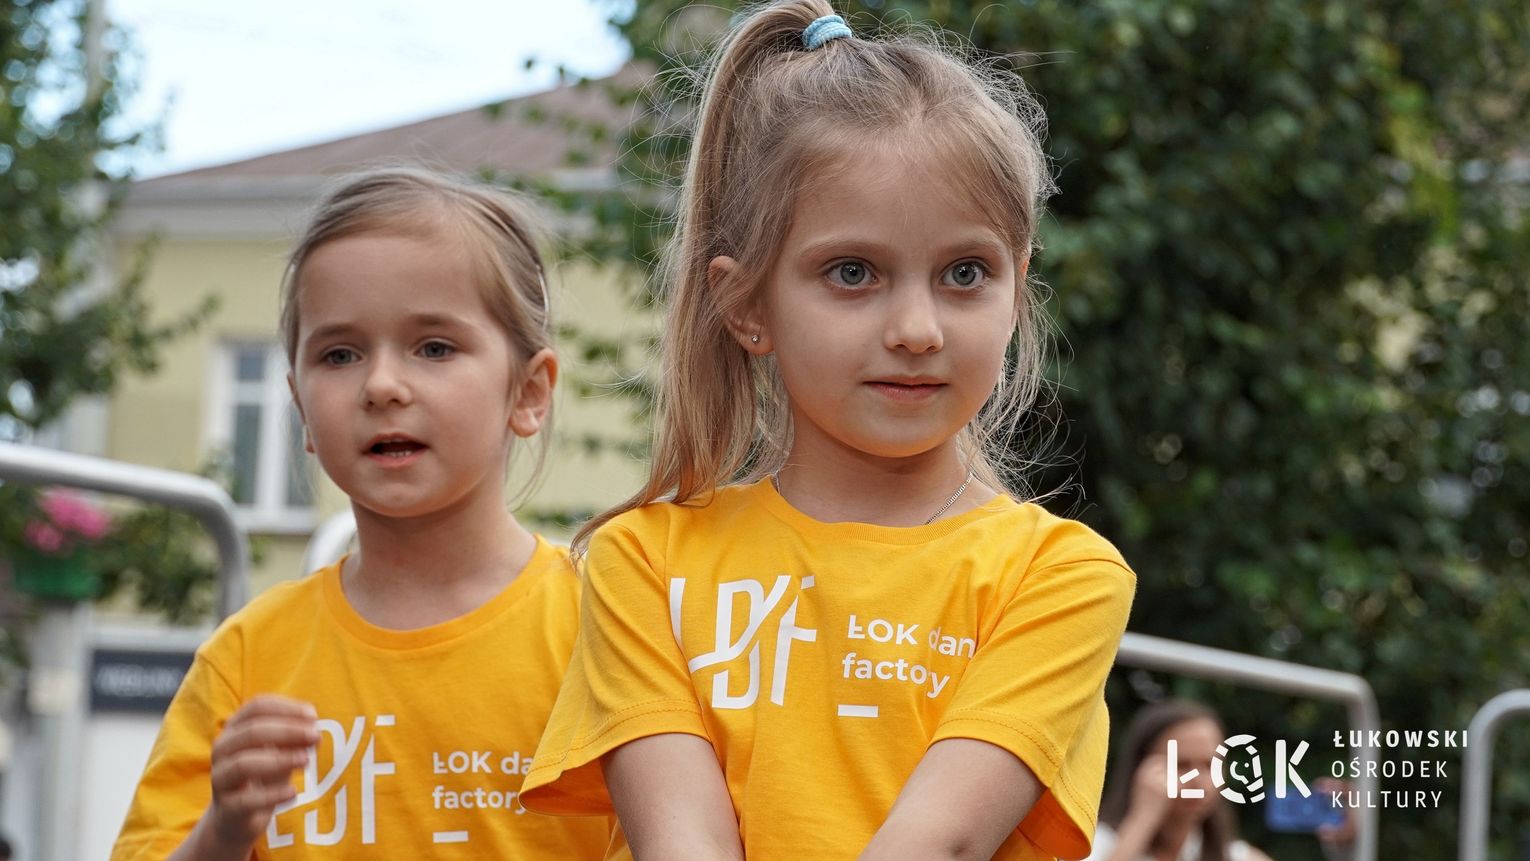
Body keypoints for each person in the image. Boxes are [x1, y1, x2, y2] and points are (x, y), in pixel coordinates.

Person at [519, 3, 1136, 859]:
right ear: (746, 304)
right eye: (853, 272)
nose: (916, 329)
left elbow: (940, 842)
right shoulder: (644, 563)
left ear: (1016, 289)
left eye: (966, 272)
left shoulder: (1062, 577)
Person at [111, 168, 611, 859]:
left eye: (434, 347)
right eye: (340, 354)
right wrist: (221, 832)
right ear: (301, 408)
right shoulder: (248, 657)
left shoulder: (605, 625)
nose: (381, 385)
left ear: (528, 392)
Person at [1088, 700, 1354, 861]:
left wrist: (1346, 845)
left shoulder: (1235, 856)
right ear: (1142, 769)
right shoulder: (1093, 843)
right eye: (1181, 765)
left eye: (1210, 765)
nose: (1198, 780)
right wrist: (1142, 820)